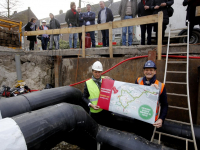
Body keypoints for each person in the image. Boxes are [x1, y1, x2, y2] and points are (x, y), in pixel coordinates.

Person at [134, 60, 168, 140]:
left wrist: (161, 119)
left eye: (151, 70)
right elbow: (135, 96)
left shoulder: (160, 86)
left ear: (155, 71)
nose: (148, 72)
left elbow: (165, 105)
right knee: (135, 140)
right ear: (144, 71)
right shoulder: (138, 81)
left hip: (150, 120)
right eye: (146, 70)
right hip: (137, 117)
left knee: (146, 142)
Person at [82, 61, 113, 126]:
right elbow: (84, 97)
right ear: (92, 71)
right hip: (95, 112)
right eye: (95, 72)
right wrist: (91, 105)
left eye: (99, 72)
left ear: (101, 72)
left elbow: (116, 84)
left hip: (106, 111)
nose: (97, 74)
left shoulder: (106, 79)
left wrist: (111, 79)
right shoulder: (88, 83)